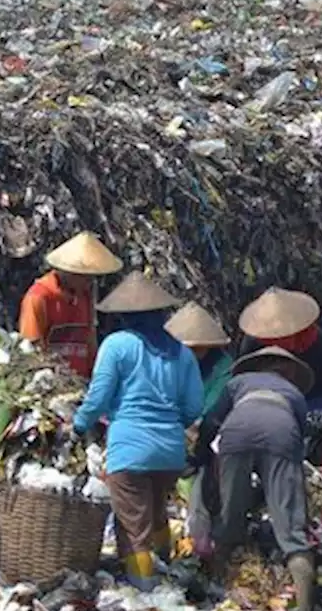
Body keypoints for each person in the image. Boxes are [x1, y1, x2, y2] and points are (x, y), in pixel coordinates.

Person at [71, 271, 203, 591]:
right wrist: (170, 425)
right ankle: (168, 581)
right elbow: (194, 405)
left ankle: (148, 595)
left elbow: (99, 395)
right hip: (169, 451)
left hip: (130, 448)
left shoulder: (117, 344)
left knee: (133, 528)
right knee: (157, 515)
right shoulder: (181, 351)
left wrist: (79, 424)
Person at [204, 346, 319, 611]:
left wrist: (200, 458)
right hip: (281, 431)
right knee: (291, 530)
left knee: (230, 519)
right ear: (287, 370)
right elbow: (300, 440)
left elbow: (211, 421)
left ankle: (214, 598)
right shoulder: (294, 394)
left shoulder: (237, 384)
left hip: (237, 430)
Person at [237, 287, 322, 464]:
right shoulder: (254, 340)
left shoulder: (313, 340)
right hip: (267, 402)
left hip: (310, 405)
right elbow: (241, 378)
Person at [164, 302, 233, 560]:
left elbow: (214, 412)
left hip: (209, 438)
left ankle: (198, 543)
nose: (194, 353)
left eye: (198, 348)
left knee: (201, 489)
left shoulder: (223, 368)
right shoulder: (168, 362)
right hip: (174, 435)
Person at [18, 231, 123, 378]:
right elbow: (31, 347)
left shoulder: (85, 293)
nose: (90, 282)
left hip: (82, 378)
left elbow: (89, 336)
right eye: (86, 278)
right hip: (54, 380)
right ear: (70, 272)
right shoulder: (39, 297)